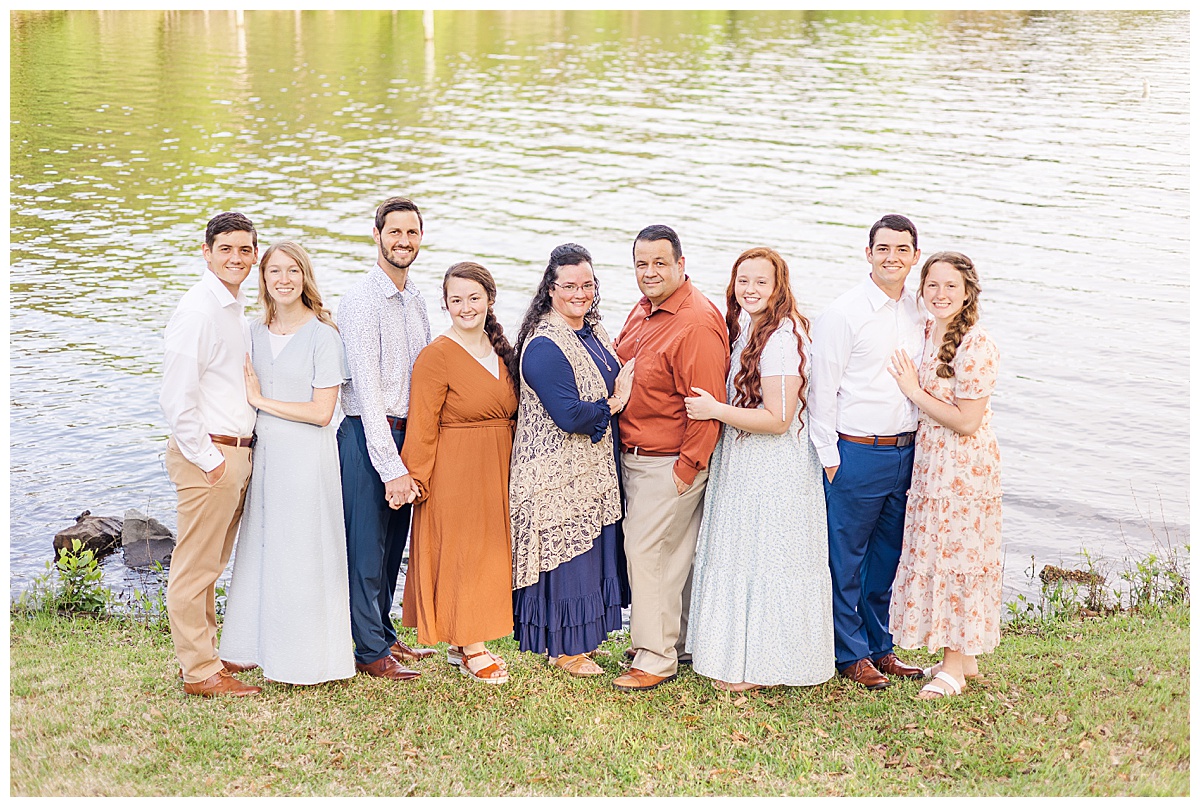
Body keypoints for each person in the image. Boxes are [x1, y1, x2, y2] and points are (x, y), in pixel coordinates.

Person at [683, 247, 835, 693]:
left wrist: (715, 409)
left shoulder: (782, 339)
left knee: (766, 560)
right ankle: (739, 656)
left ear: (778, 287)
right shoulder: (751, 331)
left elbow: (779, 419)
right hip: (747, 463)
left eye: (760, 282)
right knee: (745, 557)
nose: (749, 290)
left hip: (773, 469)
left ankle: (761, 666)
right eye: (742, 281)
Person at [219, 241, 355, 686]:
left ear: (305, 277)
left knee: (304, 552)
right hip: (266, 457)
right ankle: (251, 647)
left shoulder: (323, 336)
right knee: (264, 548)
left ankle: (309, 658)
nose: (283, 279)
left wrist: (261, 401)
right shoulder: (252, 333)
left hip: (307, 457)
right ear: (263, 279)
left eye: (292, 271)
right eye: (274, 271)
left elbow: (321, 413)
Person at [808, 213, 928, 690]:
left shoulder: (921, 310)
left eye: (902, 250)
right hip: (855, 453)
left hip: (907, 452)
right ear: (868, 254)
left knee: (886, 558)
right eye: (883, 249)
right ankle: (850, 654)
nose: (892, 258)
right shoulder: (844, 313)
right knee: (846, 558)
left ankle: (882, 647)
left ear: (915, 256)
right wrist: (830, 458)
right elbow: (822, 392)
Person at [609, 225, 730, 692]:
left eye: (660, 263)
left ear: (682, 264)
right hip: (636, 455)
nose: (650, 272)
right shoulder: (644, 311)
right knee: (670, 556)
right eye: (641, 264)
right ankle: (671, 644)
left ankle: (654, 658)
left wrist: (688, 467)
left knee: (647, 553)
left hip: (670, 461)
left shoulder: (696, 322)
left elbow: (706, 403)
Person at [509, 244, 634, 677]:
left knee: (589, 555)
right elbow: (569, 414)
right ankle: (563, 650)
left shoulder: (591, 330)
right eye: (570, 286)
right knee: (568, 563)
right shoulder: (545, 345)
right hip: (553, 474)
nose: (580, 294)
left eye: (587, 285)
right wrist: (616, 403)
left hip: (590, 468)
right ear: (551, 289)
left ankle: (580, 642)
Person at [885, 251, 1002, 700]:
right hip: (933, 462)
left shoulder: (976, 344)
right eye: (931, 284)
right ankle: (965, 655)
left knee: (959, 558)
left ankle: (953, 667)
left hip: (964, 469)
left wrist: (913, 391)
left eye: (950, 286)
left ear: (968, 291)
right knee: (937, 551)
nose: (939, 294)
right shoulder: (932, 332)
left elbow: (967, 421)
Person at [401, 262, 519, 684]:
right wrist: (416, 479)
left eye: (474, 298)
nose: (466, 307)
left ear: (490, 299)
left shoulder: (502, 350)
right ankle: (472, 646)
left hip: (496, 463)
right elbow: (422, 425)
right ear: (445, 304)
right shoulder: (437, 356)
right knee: (464, 553)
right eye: (456, 300)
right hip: (455, 468)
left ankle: (460, 641)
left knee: (488, 552)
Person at [160, 211, 261, 697]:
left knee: (211, 565)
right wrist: (212, 461)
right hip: (210, 457)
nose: (236, 258)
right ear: (207, 252)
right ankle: (199, 671)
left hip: (234, 452)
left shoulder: (232, 309)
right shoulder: (199, 310)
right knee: (194, 567)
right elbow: (176, 400)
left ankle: (208, 658)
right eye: (226, 249)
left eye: (245, 250)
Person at [336, 197, 436, 682]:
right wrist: (391, 465)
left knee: (393, 544)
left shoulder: (416, 299)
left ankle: (382, 631)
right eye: (393, 232)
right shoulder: (360, 301)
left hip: (407, 433)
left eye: (411, 233)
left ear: (420, 238)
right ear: (376, 235)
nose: (403, 241)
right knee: (365, 547)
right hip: (367, 435)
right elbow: (368, 392)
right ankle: (368, 651)